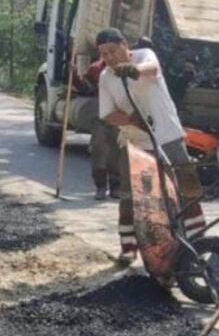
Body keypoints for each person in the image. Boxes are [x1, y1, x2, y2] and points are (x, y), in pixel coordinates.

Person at [96, 28, 206, 265]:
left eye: (113, 51)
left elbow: (153, 69)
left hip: (169, 134)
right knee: (132, 196)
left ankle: (199, 243)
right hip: (136, 142)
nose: (110, 58)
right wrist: (130, 120)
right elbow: (107, 113)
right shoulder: (106, 77)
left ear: (125, 45)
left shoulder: (144, 55)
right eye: (104, 54)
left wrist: (133, 70)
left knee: (188, 189)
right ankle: (128, 248)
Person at [84, 58, 121, 200]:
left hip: (119, 115)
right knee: (99, 149)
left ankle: (115, 186)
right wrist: (75, 78)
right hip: (101, 115)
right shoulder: (95, 68)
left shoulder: (125, 68)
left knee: (116, 151)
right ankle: (100, 186)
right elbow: (87, 88)